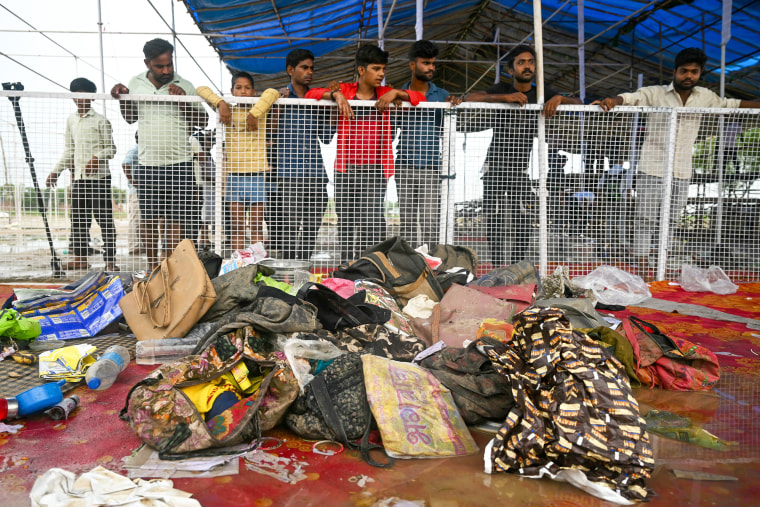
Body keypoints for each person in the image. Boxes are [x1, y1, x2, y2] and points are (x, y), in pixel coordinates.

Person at [593, 47, 759, 280]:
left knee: (671, 219)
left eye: (694, 72)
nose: (688, 76)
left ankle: (662, 263)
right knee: (646, 218)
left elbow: (731, 104)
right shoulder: (655, 92)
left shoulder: (706, 97)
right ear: (675, 71)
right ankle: (643, 267)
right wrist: (614, 100)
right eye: (684, 71)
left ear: (700, 73)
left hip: (682, 170)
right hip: (652, 166)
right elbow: (632, 98)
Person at [464, 44, 581, 267]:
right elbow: (471, 97)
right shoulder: (502, 88)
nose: (527, 66)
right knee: (495, 219)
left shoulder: (541, 93)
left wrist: (559, 98)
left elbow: (579, 102)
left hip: (521, 169)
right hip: (495, 167)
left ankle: (517, 267)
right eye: (521, 63)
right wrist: (503, 98)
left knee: (524, 220)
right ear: (511, 70)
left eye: (530, 62)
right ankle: (498, 268)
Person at [306, 44, 426, 261]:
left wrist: (396, 92)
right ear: (362, 70)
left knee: (370, 223)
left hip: (375, 170)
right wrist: (336, 95)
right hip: (346, 169)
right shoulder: (345, 90)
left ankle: (369, 269)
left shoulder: (385, 93)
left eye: (383, 69)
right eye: (376, 69)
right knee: (346, 224)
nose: (381, 74)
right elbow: (310, 95)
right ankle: (346, 268)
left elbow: (421, 98)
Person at [110, 38, 208, 270]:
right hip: (148, 163)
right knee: (150, 219)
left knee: (176, 221)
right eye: (159, 66)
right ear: (147, 63)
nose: (166, 71)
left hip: (180, 163)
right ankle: (152, 266)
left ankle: (170, 268)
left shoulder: (185, 84)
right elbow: (130, 117)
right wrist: (122, 97)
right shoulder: (135, 83)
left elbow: (203, 121)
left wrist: (183, 100)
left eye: (169, 65)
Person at [197, 72, 279, 251]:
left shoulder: (261, 112)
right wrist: (221, 103)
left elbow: (273, 91)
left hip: (256, 176)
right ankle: (239, 262)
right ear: (232, 91)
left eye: (247, 88)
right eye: (239, 88)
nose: (243, 91)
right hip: (234, 177)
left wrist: (254, 114)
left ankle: (256, 264)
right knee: (237, 227)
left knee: (256, 225)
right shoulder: (227, 112)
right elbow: (200, 89)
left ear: (254, 92)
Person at [395, 40, 461, 248]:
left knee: (430, 222)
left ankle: (432, 269)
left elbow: (447, 130)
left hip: (432, 167)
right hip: (404, 166)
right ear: (412, 65)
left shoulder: (441, 95)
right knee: (407, 223)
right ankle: (409, 268)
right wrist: (394, 107)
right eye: (425, 63)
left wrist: (454, 106)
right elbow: (389, 130)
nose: (431, 67)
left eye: (433, 63)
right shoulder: (399, 94)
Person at [47, 78, 118, 271]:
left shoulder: (101, 120)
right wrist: (56, 171)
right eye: (77, 95)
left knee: (104, 220)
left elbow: (111, 149)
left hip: (100, 179)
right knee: (79, 220)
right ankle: (80, 258)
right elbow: (69, 150)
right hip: (79, 179)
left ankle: (110, 261)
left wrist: (96, 157)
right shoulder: (71, 120)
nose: (80, 99)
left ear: (92, 97)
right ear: (73, 97)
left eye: (85, 94)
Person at [270, 49, 332, 260]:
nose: (309, 72)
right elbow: (268, 131)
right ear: (290, 70)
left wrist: (329, 109)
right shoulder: (278, 97)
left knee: (311, 230)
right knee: (289, 228)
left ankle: (303, 274)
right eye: (304, 67)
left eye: (311, 68)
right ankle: (287, 275)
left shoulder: (317, 99)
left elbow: (326, 137)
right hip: (289, 175)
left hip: (316, 174)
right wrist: (278, 106)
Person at [121, 131, 143, 256]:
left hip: (140, 189)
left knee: (139, 218)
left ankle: (138, 245)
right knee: (135, 218)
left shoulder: (140, 150)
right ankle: (134, 246)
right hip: (135, 190)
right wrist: (132, 180)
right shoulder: (135, 150)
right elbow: (125, 163)